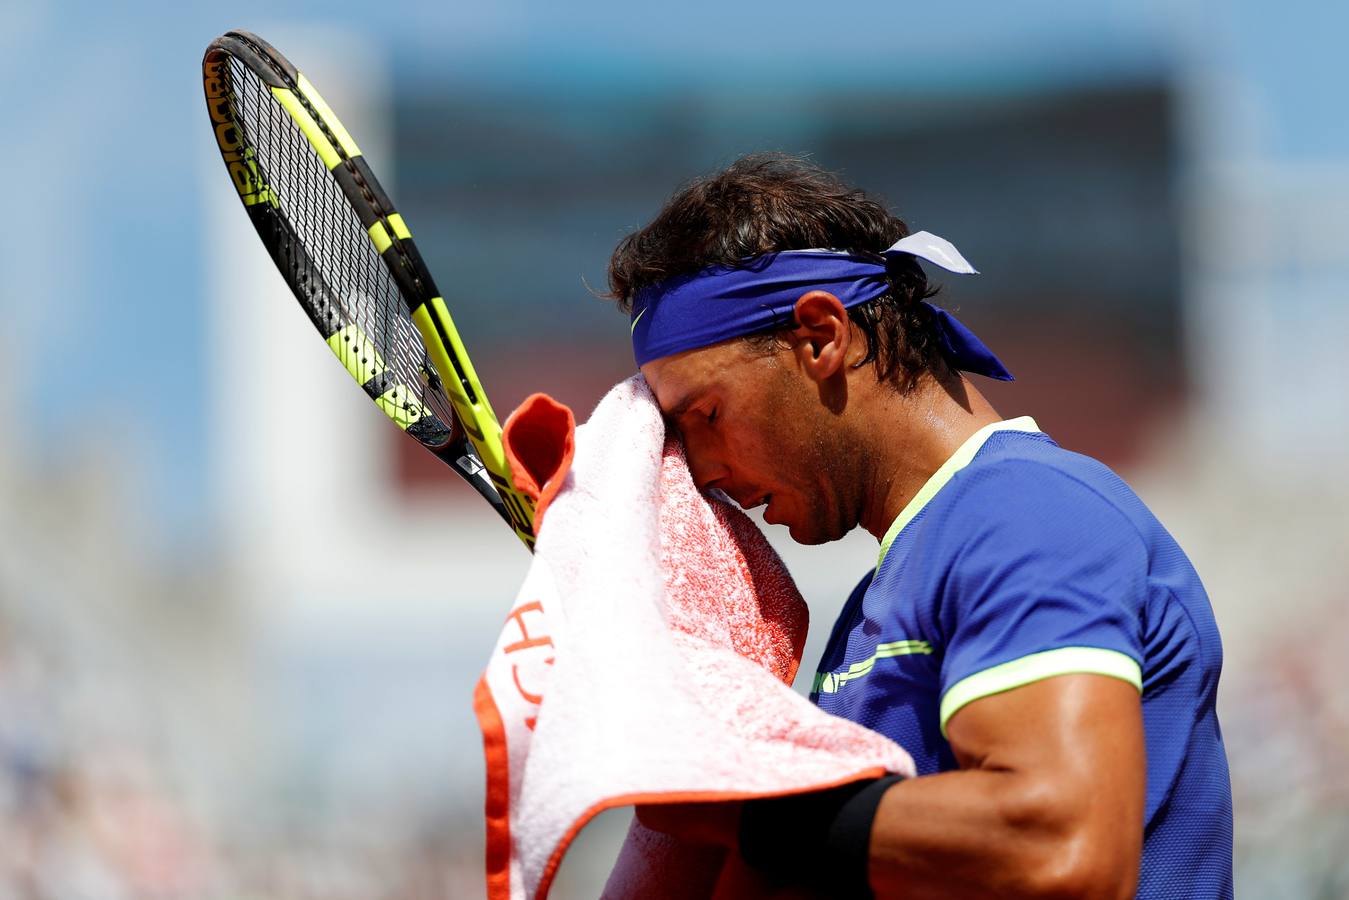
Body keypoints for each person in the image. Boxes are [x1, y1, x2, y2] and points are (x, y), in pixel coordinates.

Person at [605, 154, 1233, 899]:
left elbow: (1059, 844)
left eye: (705, 416)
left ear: (819, 337)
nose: (703, 471)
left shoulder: (1024, 512)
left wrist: (743, 804)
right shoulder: (881, 598)